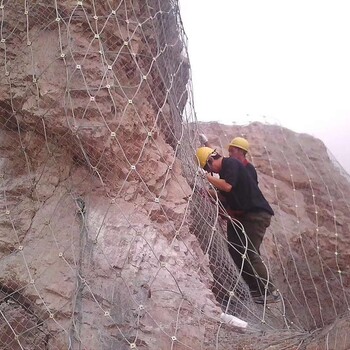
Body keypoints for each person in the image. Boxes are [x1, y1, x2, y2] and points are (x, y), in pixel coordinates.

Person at [195, 146, 280, 304]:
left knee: (250, 253)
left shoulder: (231, 164)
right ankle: (254, 288)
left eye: (207, 167)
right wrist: (207, 193)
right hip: (243, 216)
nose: (209, 170)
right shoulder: (225, 171)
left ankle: (270, 292)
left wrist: (206, 177)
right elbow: (225, 194)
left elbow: (227, 186)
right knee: (235, 249)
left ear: (211, 160)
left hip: (256, 216)